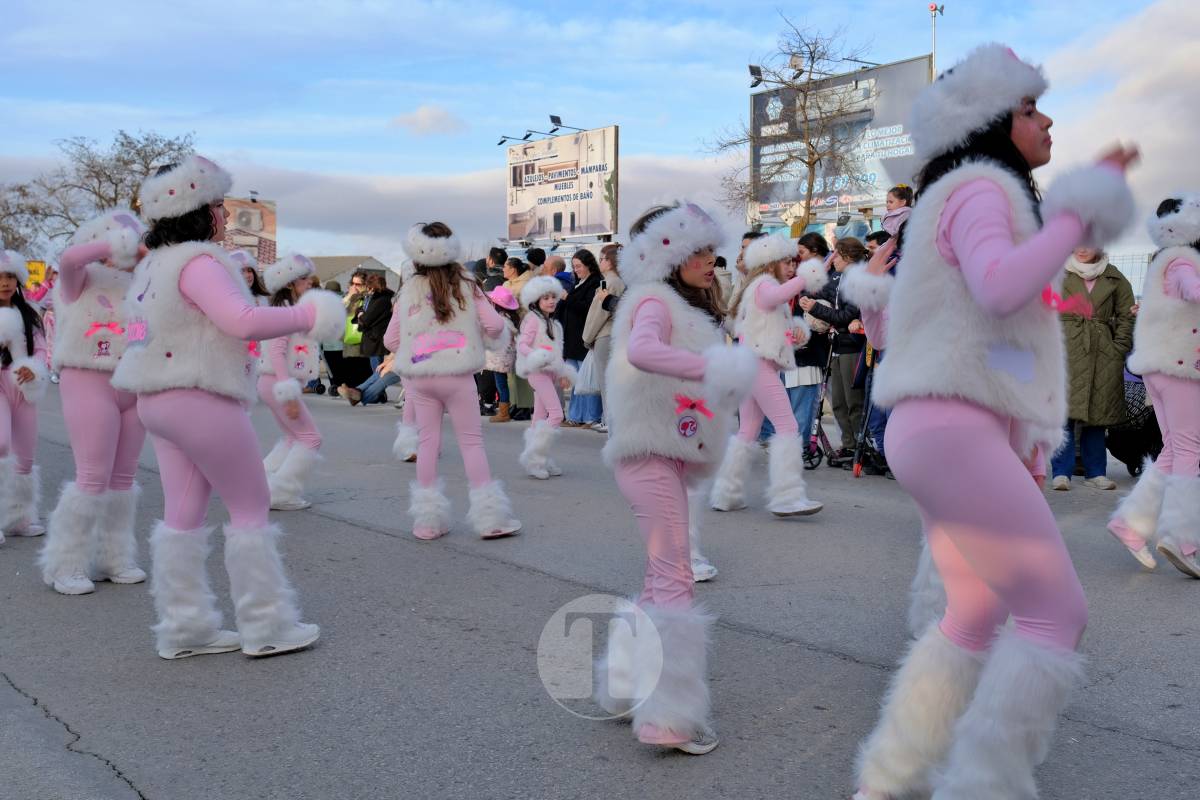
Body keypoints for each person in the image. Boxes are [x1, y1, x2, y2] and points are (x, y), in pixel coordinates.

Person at [846, 44, 1137, 800]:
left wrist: (1021, 440)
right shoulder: (981, 190)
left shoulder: (959, 195)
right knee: (1054, 616)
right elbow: (1003, 289)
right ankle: (983, 786)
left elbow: (985, 338)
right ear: (987, 122)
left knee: (972, 612)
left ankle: (893, 772)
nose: (1046, 121)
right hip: (949, 431)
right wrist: (1079, 207)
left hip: (940, 429)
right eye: (1030, 108)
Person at [111, 155, 345, 659]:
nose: (223, 212)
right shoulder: (198, 262)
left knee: (183, 513)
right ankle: (266, 626)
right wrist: (308, 314)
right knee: (249, 508)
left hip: (156, 398)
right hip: (200, 397)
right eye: (218, 203)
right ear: (199, 209)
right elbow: (241, 321)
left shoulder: (152, 266)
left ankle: (184, 627)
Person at [592, 201, 757, 755]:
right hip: (649, 455)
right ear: (670, 255)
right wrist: (714, 367)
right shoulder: (653, 300)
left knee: (661, 575)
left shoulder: (674, 305)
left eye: (712, 250)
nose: (712, 260)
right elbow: (641, 351)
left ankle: (623, 686)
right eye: (699, 252)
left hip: (663, 454)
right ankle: (667, 717)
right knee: (675, 578)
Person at [383, 222, 521, 541]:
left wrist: (419, 344)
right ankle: (490, 521)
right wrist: (478, 338)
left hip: (420, 378)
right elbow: (494, 326)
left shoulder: (408, 291)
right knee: (472, 443)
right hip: (458, 376)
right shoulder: (468, 285)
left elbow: (391, 340)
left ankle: (428, 523)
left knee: (428, 444)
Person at [38, 209, 148, 595]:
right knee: (92, 475)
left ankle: (113, 557)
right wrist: (115, 241)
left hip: (134, 383)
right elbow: (69, 259)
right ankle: (65, 562)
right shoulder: (78, 279)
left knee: (123, 479)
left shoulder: (143, 283)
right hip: (88, 378)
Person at [1108, 196, 1200, 577]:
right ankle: (1182, 537)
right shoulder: (1182, 263)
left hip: (1162, 367)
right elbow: (1194, 291)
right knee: (1190, 449)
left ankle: (1130, 524)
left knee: (1175, 450)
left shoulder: (1164, 261)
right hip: (1179, 368)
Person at [709, 232, 825, 516]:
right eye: (786, 262)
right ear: (770, 263)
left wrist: (796, 334)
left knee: (747, 431)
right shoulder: (765, 285)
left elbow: (769, 329)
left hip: (753, 364)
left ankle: (727, 493)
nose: (791, 267)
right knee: (787, 427)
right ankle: (787, 497)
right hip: (759, 366)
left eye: (794, 263)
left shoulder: (760, 286)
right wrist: (807, 276)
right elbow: (776, 297)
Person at [1050, 247, 1135, 491]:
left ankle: (1096, 472)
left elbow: (1126, 315)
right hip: (1065, 350)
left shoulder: (1114, 277)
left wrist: (1118, 347)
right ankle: (1061, 472)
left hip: (1103, 353)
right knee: (1063, 414)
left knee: (1098, 417)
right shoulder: (1057, 273)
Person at [257, 253, 328, 511]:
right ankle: (281, 493)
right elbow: (275, 351)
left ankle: (259, 485)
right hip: (278, 383)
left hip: (273, 382)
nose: (309, 283)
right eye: (303, 279)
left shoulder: (285, 310)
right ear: (289, 284)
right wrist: (288, 392)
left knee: (292, 438)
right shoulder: (285, 312)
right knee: (310, 438)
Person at [800, 238, 867, 463]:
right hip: (837, 345)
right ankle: (848, 445)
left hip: (852, 346)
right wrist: (810, 293)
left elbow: (847, 315)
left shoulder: (857, 280)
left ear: (847, 257)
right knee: (838, 401)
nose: (832, 259)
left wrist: (816, 308)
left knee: (852, 401)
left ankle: (860, 446)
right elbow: (822, 293)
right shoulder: (838, 277)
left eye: (836, 255)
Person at [0, 249, 48, 542]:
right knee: (1, 444)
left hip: (24, 387)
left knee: (26, 456)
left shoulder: (29, 313)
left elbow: (42, 349)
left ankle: (19, 517)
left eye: (9, 277)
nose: (4, 282)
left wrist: (34, 368)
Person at [516, 276, 576, 479]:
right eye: (546, 298)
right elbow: (522, 344)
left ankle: (541, 459)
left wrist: (562, 374)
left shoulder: (554, 324)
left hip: (550, 374)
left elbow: (557, 353)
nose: (551, 301)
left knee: (539, 419)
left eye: (553, 297)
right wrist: (535, 356)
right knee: (557, 414)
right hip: (537, 372)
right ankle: (535, 456)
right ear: (536, 301)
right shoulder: (532, 319)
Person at [557, 249, 602, 428]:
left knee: (588, 379)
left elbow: (588, 308)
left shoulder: (595, 283)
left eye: (579, 266)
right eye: (574, 267)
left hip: (584, 337)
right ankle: (575, 415)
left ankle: (591, 416)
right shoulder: (578, 283)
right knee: (576, 380)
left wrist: (568, 298)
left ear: (589, 265)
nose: (576, 270)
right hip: (572, 338)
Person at [583, 243, 625, 432]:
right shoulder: (619, 281)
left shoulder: (610, 282)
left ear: (610, 261)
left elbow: (598, 315)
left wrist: (587, 337)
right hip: (612, 334)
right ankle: (609, 419)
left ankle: (609, 421)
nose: (600, 262)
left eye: (602, 259)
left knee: (605, 380)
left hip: (604, 334)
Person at [485, 285, 519, 423]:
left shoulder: (499, 320)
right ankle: (504, 409)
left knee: (501, 384)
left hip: (499, 358)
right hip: (504, 357)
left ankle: (504, 412)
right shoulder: (509, 318)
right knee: (502, 383)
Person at [338, 270, 373, 390]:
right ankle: (353, 390)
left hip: (362, 339)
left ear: (365, 285)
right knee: (350, 366)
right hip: (349, 337)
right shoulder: (350, 297)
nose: (354, 287)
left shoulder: (367, 297)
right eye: (352, 283)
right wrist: (349, 296)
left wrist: (353, 297)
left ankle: (364, 392)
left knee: (362, 366)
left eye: (357, 284)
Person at [357, 273, 394, 371]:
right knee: (376, 369)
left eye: (369, 288)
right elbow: (361, 309)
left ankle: (377, 386)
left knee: (377, 371)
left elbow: (367, 318)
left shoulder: (381, 299)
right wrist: (360, 313)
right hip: (374, 339)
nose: (368, 290)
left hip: (375, 340)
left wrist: (361, 316)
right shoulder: (376, 297)